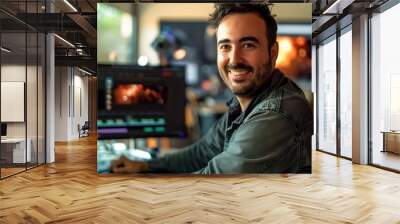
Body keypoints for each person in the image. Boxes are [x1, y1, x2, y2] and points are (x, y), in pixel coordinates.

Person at [111, 3, 313, 174]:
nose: (234, 60)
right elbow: (201, 153)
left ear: (273, 52)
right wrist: (144, 166)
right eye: (225, 46)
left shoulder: (277, 114)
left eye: (248, 45)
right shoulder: (246, 103)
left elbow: (210, 181)